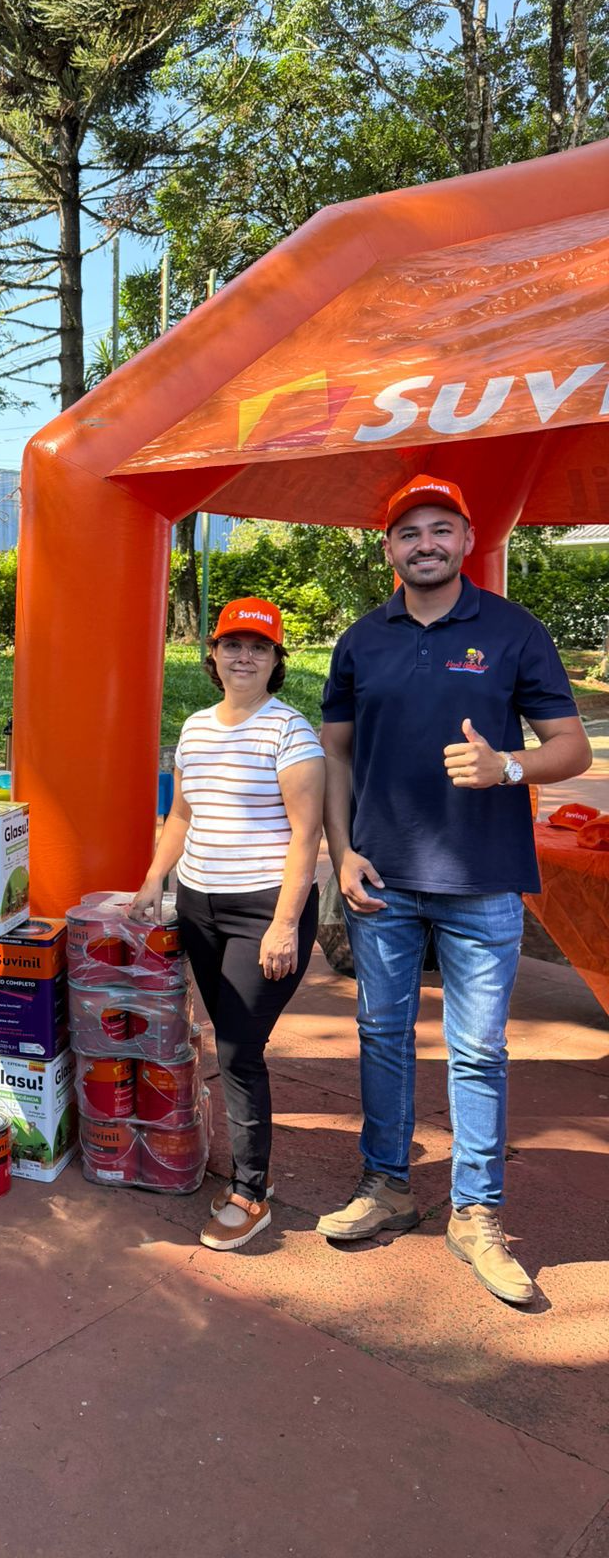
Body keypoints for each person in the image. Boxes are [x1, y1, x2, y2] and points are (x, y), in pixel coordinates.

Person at [316, 474, 592, 1305]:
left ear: (468, 540)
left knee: (478, 1054)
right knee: (382, 1037)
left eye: (440, 529)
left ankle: (476, 1212)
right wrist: (342, 852)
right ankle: (387, 1186)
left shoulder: (513, 630)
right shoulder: (363, 639)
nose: (424, 544)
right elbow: (335, 754)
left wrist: (507, 765)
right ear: (389, 548)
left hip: (483, 882)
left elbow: (572, 748)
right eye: (409, 532)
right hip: (384, 877)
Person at [132, 597, 324, 1251]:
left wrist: (284, 925)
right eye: (232, 645)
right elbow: (181, 816)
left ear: (276, 661)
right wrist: (155, 877)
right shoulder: (194, 727)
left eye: (259, 646)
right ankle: (244, 1163)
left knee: (241, 1051)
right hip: (199, 906)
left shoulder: (289, 730)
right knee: (222, 1038)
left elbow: (307, 836)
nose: (244, 655)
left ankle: (251, 1192)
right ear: (212, 656)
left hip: (262, 911)